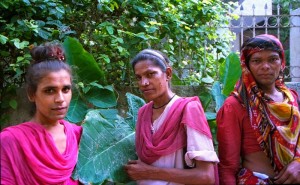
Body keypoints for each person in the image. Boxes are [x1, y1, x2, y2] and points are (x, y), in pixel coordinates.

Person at [124, 49, 219, 185]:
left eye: (150, 74)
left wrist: (148, 172)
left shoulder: (188, 109)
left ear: (168, 74)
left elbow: (206, 176)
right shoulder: (143, 113)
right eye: (138, 77)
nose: (143, 83)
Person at [217, 34, 300, 185]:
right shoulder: (236, 105)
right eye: (256, 61)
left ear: (282, 62)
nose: (266, 66)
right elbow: (228, 166)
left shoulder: (293, 98)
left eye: (273, 59)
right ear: (246, 65)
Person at [0, 42, 82, 185]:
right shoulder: (10, 141)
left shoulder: (78, 135)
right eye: (50, 90)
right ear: (32, 94)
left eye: (66, 89)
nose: (60, 99)